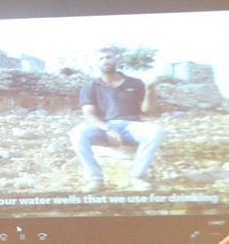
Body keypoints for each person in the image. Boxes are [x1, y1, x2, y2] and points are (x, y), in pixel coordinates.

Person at [69, 47, 164, 192]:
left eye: (109, 57)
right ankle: (95, 179)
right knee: (76, 133)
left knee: (156, 131)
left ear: (116, 59)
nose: (105, 61)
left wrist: (150, 91)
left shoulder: (135, 83)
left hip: (132, 126)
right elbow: (88, 114)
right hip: (103, 127)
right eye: (101, 59)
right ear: (96, 63)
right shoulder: (91, 86)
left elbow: (148, 111)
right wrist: (107, 128)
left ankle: (137, 176)